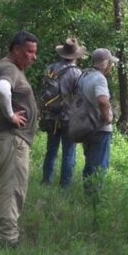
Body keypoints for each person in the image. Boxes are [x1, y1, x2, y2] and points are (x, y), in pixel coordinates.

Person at [0, 30, 38, 249]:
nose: (33, 57)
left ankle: (6, 230)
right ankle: (9, 240)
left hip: (10, 139)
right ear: (16, 50)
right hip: (11, 139)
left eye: (35, 52)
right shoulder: (8, 68)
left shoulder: (10, 67)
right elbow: (1, 89)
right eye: (29, 52)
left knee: (7, 185)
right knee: (13, 187)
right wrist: (10, 115)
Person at [40, 38, 85, 188]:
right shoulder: (77, 73)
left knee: (51, 151)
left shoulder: (50, 68)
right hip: (69, 119)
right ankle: (64, 187)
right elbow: (80, 98)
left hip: (51, 117)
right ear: (76, 56)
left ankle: (46, 181)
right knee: (69, 153)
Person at [77, 47, 118, 199]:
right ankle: (94, 200)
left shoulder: (84, 75)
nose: (111, 67)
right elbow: (102, 100)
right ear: (105, 63)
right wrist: (107, 118)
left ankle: (87, 195)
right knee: (99, 166)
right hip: (100, 129)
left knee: (89, 164)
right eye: (110, 63)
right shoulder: (100, 79)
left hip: (86, 126)